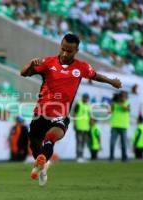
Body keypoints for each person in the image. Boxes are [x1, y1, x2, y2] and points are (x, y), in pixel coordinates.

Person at [20, 33, 121, 186]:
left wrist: (112, 81)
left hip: (60, 114)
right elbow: (24, 73)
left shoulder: (81, 67)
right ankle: (43, 165)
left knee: (50, 137)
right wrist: (30, 64)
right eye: (63, 49)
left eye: (69, 51)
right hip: (40, 112)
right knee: (34, 145)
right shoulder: (48, 62)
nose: (65, 53)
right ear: (60, 46)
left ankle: (43, 160)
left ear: (76, 51)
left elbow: (96, 76)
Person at [109, 91, 129, 162]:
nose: (122, 98)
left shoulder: (127, 103)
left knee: (124, 143)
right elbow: (110, 111)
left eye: (123, 96)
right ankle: (111, 157)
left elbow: (126, 109)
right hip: (115, 125)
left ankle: (124, 157)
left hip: (123, 126)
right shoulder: (114, 103)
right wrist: (112, 101)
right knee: (112, 142)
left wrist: (120, 103)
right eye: (121, 96)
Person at [73, 93, 91, 163]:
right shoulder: (78, 104)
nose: (86, 99)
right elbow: (74, 114)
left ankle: (81, 156)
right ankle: (78, 157)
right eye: (85, 98)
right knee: (79, 142)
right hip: (79, 126)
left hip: (86, 127)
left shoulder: (88, 105)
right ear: (82, 98)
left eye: (87, 98)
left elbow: (89, 115)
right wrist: (75, 124)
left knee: (83, 143)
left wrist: (90, 123)